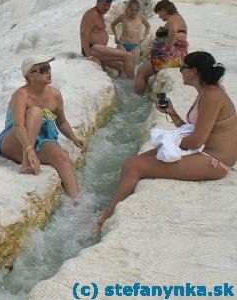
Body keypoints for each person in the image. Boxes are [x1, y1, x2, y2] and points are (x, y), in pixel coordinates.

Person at [100, 52, 237, 225]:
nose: (180, 71)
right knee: (131, 163)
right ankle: (107, 212)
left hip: (214, 161)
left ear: (193, 71)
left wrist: (169, 140)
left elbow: (196, 141)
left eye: (182, 68)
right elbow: (195, 131)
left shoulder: (212, 95)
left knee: (134, 167)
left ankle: (103, 220)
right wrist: (172, 114)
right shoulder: (207, 91)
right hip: (203, 153)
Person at [0, 56, 87, 197]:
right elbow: (18, 125)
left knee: (62, 157)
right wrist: (29, 151)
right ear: (30, 75)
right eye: (43, 70)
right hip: (14, 139)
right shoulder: (21, 95)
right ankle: (26, 161)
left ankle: (76, 201)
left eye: (49, 68)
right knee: (35, 112)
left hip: (40, 138)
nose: (48, 72)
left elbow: (61, 121)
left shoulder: (55, 94)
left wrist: (74, 138)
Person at [133, 0, 188, 95]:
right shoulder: (177, 17)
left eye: (159, 13)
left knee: (141, 72)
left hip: (171, 57)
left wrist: (169, 47)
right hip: (176, 55)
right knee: (144, 66)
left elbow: (174, 31)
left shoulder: (172, 19)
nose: (159, 16)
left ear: (163, 10)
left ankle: (137, 96)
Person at [80, 0, 135, 78]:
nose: (106, 8)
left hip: (100, 49)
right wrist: (89, 55)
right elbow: (84, 34)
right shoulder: (92, 14)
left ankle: (123, 87)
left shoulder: (99, 14)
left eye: (108, 6)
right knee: (127, 56)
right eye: (104, 5)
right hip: (93, 48)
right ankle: (133, 83)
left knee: (121, 67)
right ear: (98, 2)